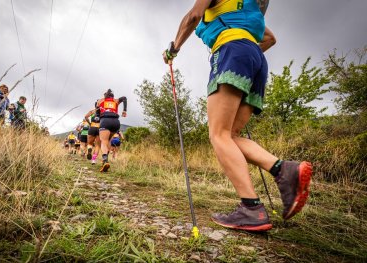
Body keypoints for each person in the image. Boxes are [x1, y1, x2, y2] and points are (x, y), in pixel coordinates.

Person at [163, 0, 312, 231]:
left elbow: (193, 17)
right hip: (257, 60)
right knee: (230, 134)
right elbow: (270, 39)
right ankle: (283, 170)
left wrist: (173, 49)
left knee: (218, 134)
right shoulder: (246, 7)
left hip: (232, 51)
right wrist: (244, 52)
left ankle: (251, 208)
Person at [96, 89, 127, 172]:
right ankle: (105, 160)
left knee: (103, 141)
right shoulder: (116, 101)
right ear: (112, 96)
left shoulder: (100, 101)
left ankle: (105, 160)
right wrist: (124, 110)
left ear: (105, 96)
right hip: (116, 122)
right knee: (109, 140)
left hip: (105, 121)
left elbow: (97, 112)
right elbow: (124, 98)